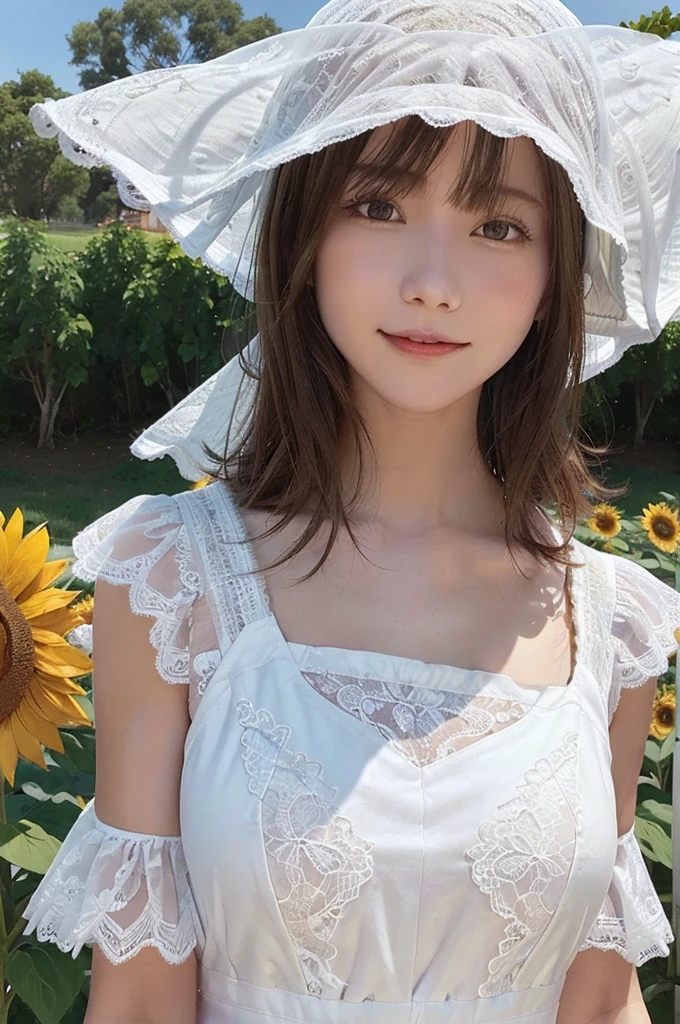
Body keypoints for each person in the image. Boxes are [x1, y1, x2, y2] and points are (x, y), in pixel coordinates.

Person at [21, 1, 680, 1022]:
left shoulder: (610, 622)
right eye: (377, 206)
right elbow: (143, 1001)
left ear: (555, 277)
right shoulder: (172, 584)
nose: (432, 284)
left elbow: (596, 1000)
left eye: (497, 225)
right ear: (302, 227)